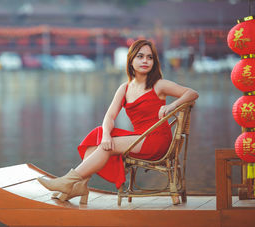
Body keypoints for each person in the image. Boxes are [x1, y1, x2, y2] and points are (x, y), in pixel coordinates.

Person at [37, 39, 199, 204]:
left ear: (154, 62)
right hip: (139, 138)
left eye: (149, 57)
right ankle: (80, 184)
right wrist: (106, 135)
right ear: (131, 60)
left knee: (109, 146)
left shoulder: (159, 85)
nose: (145, 61)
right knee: (99, 134)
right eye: (140, 56)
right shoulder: (124, 88)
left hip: (157, 141)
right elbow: (109, 116)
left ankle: (67, 182)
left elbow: (192, 93)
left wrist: (172, 105)